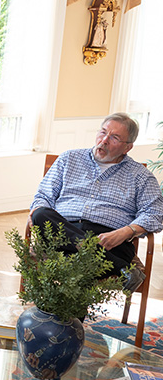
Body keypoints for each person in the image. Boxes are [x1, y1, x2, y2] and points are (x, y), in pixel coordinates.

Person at [29, 112, 163, 291]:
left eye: (114, 137)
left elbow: (155, 214)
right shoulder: (69, 158)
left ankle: (55, 318)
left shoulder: (141, 176)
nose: (104, 140)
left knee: (76, 264)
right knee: (40, 213)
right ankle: (121, 267)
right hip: (63, 232)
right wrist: (38, 211)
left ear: (127, 147)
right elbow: (43, 196)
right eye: (103, 132)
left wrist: (124, 233)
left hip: (111, 241)